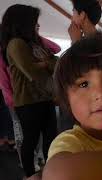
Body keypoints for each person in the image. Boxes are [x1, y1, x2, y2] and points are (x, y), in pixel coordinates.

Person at [42, 32, 102, 180]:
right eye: (84, 84)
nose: (100, 93)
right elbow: (58, 175)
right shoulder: (72, 143)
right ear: (67, 100)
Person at [1, 4, 58, 177]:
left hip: (44, 98)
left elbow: (56, 63)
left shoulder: (34, 43)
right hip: (28, 102)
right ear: (23, 23)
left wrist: (46, 64)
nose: (37, 26)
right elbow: (32, 72)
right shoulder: (15, 44)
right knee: (31, 141)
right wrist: (47, 64)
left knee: (51, 139)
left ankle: (48, 171)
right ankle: (29, 174)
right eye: (34, 22)